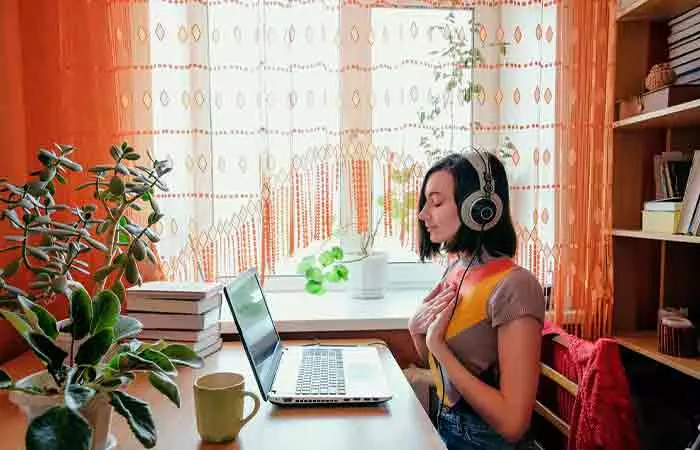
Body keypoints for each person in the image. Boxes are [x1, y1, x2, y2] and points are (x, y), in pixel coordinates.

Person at [408, 151, 545, 450]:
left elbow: (513, 424)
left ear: (479, 209)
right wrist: (417, 332)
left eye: (437, 201)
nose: (422, 214)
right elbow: (441, 370)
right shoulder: (456, 270)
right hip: (447, 427)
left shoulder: (516, 287)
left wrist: (439, 348)